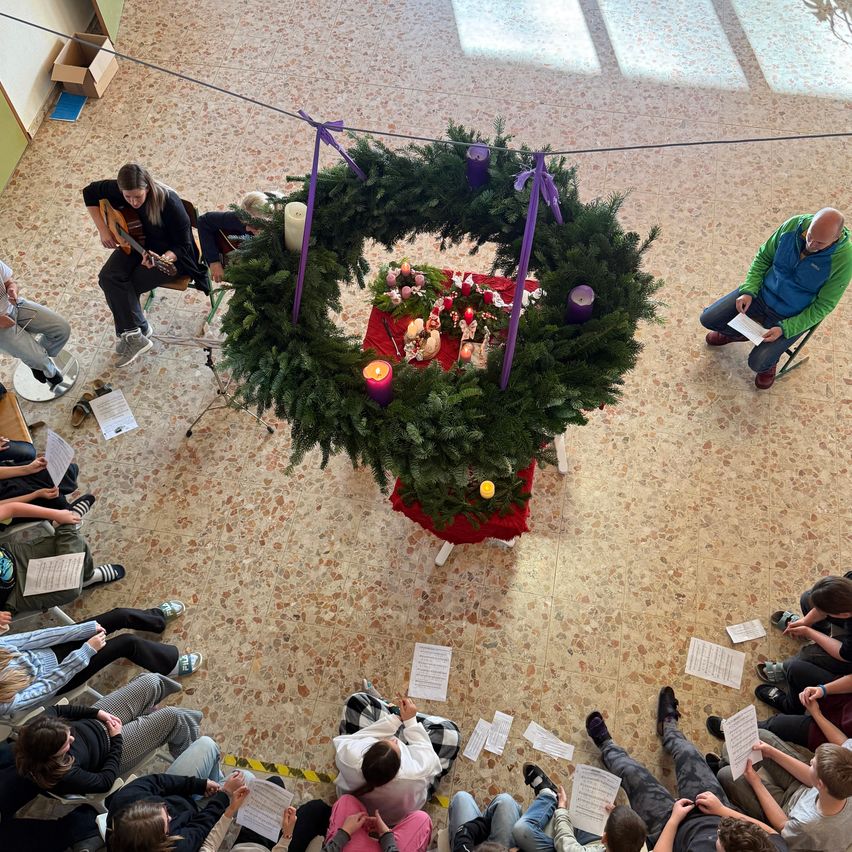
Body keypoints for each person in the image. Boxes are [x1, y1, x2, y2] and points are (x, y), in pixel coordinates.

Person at [583, 688, 787, 851]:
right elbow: (772, 835)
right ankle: (669, 729)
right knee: (689, 752)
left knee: (632, 774)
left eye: (718, 842)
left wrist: (674, 820)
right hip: (712, 807)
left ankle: (607, 747)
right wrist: (722, 811)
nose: (717, 833)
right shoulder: (768, 848)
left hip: (668, 830)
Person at [700, 208, 851, 389]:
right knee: (708, 318)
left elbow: (823, 306)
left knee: (757, 363)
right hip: (761, 294)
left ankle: (767, 362)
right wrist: (748, 290)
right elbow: (764, 257)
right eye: (810, 235)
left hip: (789, 315)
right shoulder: (793, 226)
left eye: (820, 242)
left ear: (836, 237)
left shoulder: (844, 259)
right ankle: (738, 334)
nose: (810, 244)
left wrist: (785, 329)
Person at [82, 163, 208, 367]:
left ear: (148, 187)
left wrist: (162, 257)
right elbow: (89, 192)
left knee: (125, 285)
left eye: (137, 196)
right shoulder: (118, 189)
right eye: (127, 196)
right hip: (135, 240)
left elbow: (183, 246)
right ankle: (136, 332)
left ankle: (134, 332)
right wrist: (103, 229)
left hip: (171, 256)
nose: (132, 202)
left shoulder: (170, 204)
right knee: (107, 277)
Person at [13, 671, 204, 796]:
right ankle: (192, 753)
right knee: (172, 717)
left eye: (68, 732)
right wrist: (117, 738)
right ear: (53, 755)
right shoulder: (63, 774)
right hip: (112, 753)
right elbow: (104, 781)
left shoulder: (36, 729)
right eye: (67, 744)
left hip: (98, 722)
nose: (72, 737)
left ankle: (149, 715)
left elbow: (60, 710)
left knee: (150, 681)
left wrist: (97, 713)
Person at [0, 602, 202, 716]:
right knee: (127, 643)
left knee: (118, 615)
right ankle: (170, 665)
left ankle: (156, 619)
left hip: (51, 648)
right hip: (65, 674)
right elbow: (47, 686)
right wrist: (86, 651)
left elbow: (34, 638)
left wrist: (82, 630)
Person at [334, 687, 460, 825]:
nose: (395, 740)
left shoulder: (350, 756)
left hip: (357, 808)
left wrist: (396, 719)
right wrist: (410, 721)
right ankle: (396, 711)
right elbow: (429, 756)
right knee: (451, 733)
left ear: (369, 750)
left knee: (356, 701)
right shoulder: (413, 773)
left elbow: (364, 735)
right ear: (399, 765)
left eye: (387, 742)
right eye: (397, 747)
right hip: (397, 816)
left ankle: (390, 709)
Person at [714, 728, 852, 851]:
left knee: (726, 775)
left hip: (787, 812)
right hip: (803, 788)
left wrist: (757, 783)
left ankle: (722, 763)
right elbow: (811, 781)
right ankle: (725, 759)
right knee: (759, 739)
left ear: (821, 784)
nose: (810, 761)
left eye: (813, 764)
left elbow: (781, 825)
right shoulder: (842, 776)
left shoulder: (808, 826)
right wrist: (772, 753)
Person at [106, 739, 247, 852]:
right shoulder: (175, 848)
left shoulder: (124, 799)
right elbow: (201, 827)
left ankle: (218, 781)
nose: (170, 816)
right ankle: (221, 783)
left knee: (206, 744)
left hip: (176, 794)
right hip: (196, 815)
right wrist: (224, 795)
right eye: (168, 822)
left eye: (163, 809)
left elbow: (159, 781)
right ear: (161, 842)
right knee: (246, 778)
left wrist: (198, 785)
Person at [0, 504, 125, 617]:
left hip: (16, 555)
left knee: (76, 546)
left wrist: (56, 514)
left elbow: (10, 508)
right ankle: (67, 527)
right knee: (71, 589)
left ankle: (86, 576)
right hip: (14, 594)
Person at [755, 576, 852, 714]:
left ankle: (791, 705)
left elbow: (843, 654)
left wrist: (809, 631)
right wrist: (806, 621)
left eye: (827, 613)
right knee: (808, 598)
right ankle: (821, 630)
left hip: (847, 656)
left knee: (805, 656)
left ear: (844, 615)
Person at [707, 678, 852, 752]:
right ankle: (789, 706)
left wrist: (817, 714)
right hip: (844, 701)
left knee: (777, 724)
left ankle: (735, 731)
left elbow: (845, 747)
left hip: (836, 735)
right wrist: (823, 690)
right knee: (797, 670)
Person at [0, 258, 71, 388]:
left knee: (62, 329)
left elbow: (9, 282)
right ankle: (47, 371)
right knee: (38, 358)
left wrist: (12, 289)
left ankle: (37, 363)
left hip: (14, 306)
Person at [197, 191, 272, 284]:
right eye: (244, 223)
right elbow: (204, 221)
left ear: (268, 221)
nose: (247, 228)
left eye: (254, 225)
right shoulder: (242, 216)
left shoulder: (278, 229)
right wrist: (214, 261)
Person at [0, 452, 92, 522]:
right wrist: (35, 495)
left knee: (64, 472)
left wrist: (27, 469)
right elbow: (10, 509)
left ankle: (64, 517)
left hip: (5, 484)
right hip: (7, 502)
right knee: (58, 501)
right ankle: (63, 521)